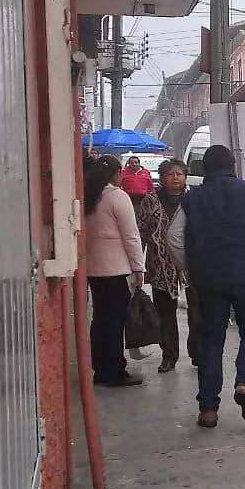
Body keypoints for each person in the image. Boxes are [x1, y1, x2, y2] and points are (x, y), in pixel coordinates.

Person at [167, 145, 245, 429]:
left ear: (204, 169)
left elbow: (173, 237)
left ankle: (208, 409)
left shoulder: (192, 199)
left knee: (211, 339)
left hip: (209, 279)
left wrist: (191, 265)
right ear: (233, 165)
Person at [83, 155, 146, 387]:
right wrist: (139, 267)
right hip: (116, 269)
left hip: (93, 269)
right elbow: (131, 236)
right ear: (117, 174)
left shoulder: (88, 196)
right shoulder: (118, 197)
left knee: (100, 319)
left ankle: (100, 368)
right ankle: (115, 370)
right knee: (115, 321)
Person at [137, 158, 201, 373]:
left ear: (185, 177)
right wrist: (137, 265)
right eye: (170, 174)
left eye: (180, 174)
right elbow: (141, 232)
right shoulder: (150, 200)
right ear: (162, 178)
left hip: (193, 265)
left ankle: (197, 353)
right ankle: (169, 355)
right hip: (159, 264)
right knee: (165, 313)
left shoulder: (194, 199)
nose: (175, 178)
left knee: (197, 311)